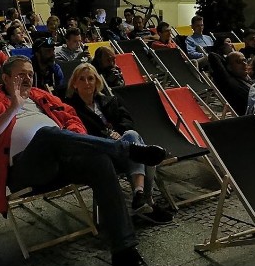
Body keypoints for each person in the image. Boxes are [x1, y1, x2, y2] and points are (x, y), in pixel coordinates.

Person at [0, 55, 166, 266]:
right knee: (47, 135)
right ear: (6, 78)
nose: (28, 78)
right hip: (23, 170)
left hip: (61, 161)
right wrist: (13, 108)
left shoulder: (41, 96)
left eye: (30, 74)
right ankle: (125, 150)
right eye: (21, 75)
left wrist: (75, 143)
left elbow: (72, 119)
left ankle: (125, 254)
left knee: (99, 161)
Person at [64, 63, 173, 223]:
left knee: (134, 140)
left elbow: (127, 120)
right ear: (74, 83)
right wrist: (108, 135)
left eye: (91, 78)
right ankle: (146, 199)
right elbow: (79, 134)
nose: (87, 83)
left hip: (123, 146)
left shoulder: (109, 101)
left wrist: (119, 133)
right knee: (145, 152)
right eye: (82, 79)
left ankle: (140, 197)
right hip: (100, 151)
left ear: (97, 82)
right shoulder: (70, 108)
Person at [207, 50, 252, 116]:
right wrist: (227, 62)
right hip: (254, 114)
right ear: (229, 67)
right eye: (239, 62)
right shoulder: (230, 82)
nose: (244, 63)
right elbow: (213, 56)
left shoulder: (249, 80)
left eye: (245, 60)